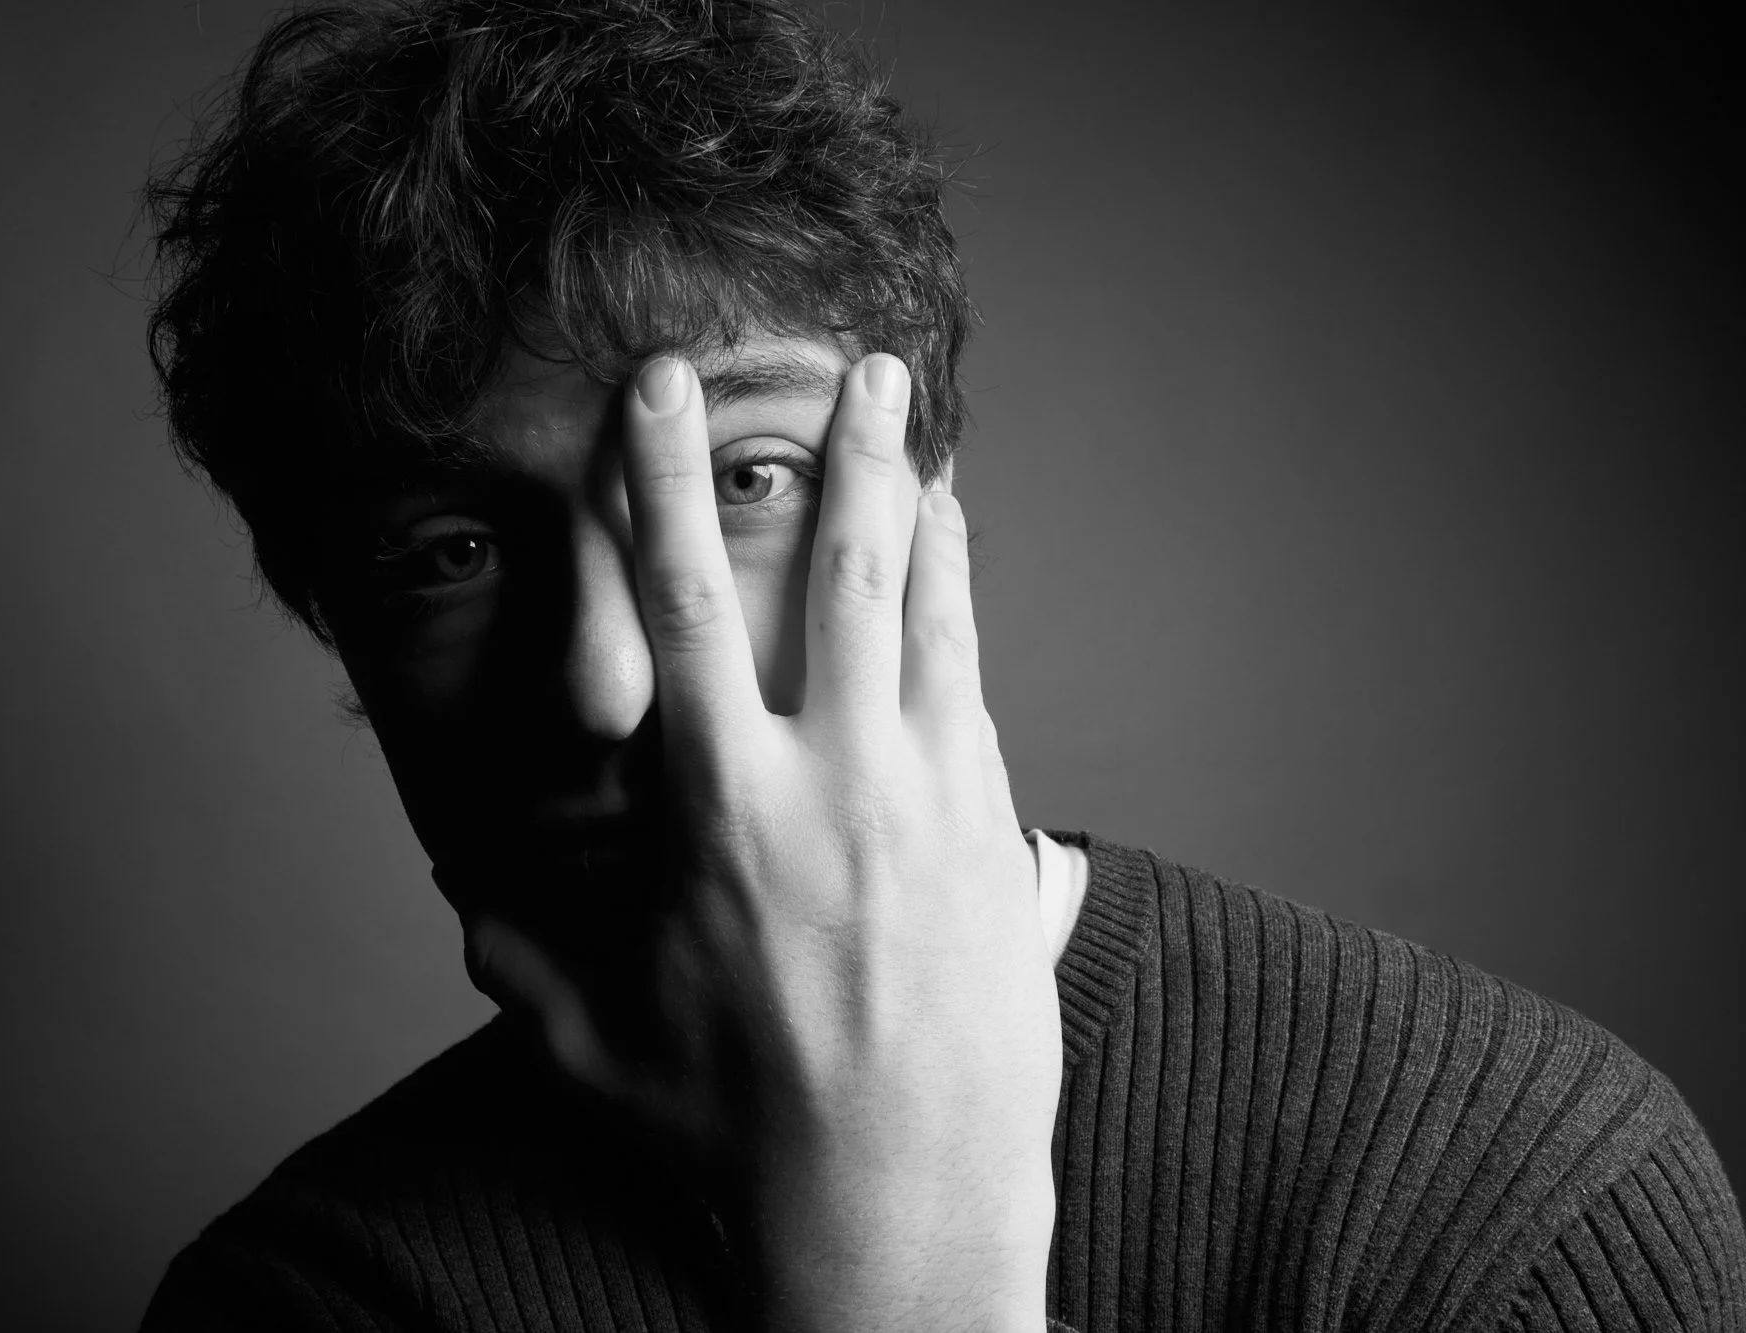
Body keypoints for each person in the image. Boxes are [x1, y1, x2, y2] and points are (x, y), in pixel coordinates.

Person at [137, 1, 1745, 1329]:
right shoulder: (314, 1303)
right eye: (448, 553)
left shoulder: (1512, 1196)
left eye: (744, 477)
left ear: (928, 500)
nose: (611, 683)